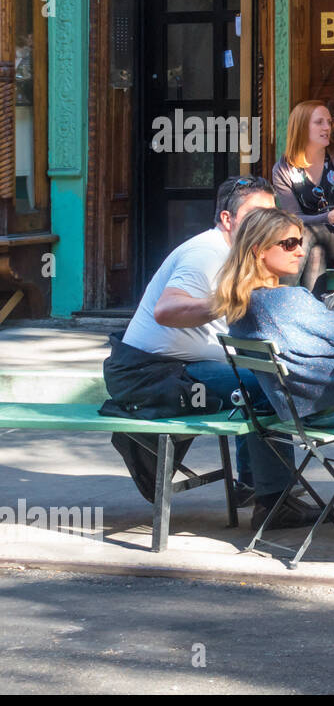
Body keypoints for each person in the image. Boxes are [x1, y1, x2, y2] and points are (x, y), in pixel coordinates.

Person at [102, 176, 293, 516]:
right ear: (227, 219)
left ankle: (253, 484)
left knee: (262, 374)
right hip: (151, 376)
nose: (268, 222)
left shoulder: (241, 253)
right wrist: (228, 301)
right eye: (256, 214)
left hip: (177, 368)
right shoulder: (208, 253)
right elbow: (167, 310)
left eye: (272, 213)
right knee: (268, 384)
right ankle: (277, 503)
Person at [213, 207, 334, 529]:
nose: (300, 249)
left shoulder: (238, 306)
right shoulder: (290, 299)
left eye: (299, 241)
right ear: (258, 250)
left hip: (293, 408)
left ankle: (273, 502)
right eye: (288, 244)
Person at [271, 100, 334, 294]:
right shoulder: (283, 168)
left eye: (329, 122)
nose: (327, 128)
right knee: (315, 250)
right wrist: (328, 216)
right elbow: (293, 217)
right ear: (301, 127)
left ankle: (279, 301)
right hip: (305, 239)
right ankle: (313, 314)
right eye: (319, 122)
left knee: (306, 234)